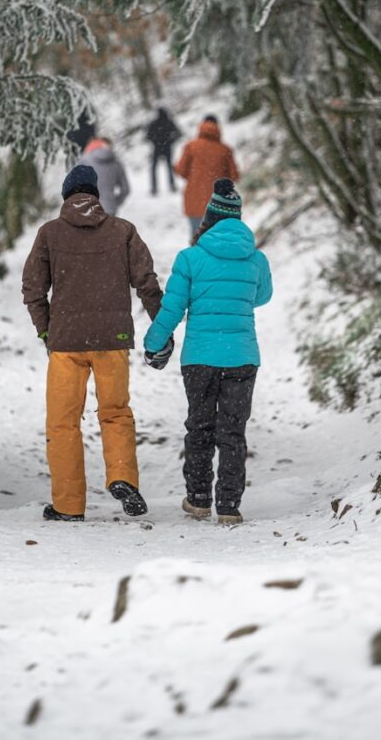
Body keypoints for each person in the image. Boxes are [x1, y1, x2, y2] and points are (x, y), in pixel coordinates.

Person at [22, 164, 162, 522]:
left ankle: (68, 505)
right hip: (111, 341)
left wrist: (44, 329)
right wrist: (161, 327)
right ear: (96, 196)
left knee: (63, 422)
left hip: (66, 343)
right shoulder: (123, 231)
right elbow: (146, 280)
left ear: (66, 196)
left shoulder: (50, 233)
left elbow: (33, 288)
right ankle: (121, 476)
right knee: (115, 413)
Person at [143, 179, 272, 525]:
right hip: (242, 356)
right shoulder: (256, 259)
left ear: (208, 218)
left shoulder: (190, 258)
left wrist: (154, 343)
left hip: (199, 358)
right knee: (232, 431)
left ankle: (198, 499)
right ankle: (229, 505)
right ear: (238, 218)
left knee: (199, 426)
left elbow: (172, 308)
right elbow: (262, 297)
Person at [173, 115, 240, 238]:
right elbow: (234, 176)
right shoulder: (225, 150)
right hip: (218, 203)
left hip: (194, 198)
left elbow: (181, 171)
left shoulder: (191, 147)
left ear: (201, 126)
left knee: (196, 238)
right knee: (217, 238)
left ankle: (195, 257)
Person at [81, 136, 130, 215]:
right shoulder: (116, 163)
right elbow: (125, 189)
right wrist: (114, 202)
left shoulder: (83, 161)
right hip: (110, 209)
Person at [145, 107, 181, 194]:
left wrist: (154, 141)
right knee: (169, 167)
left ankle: (154, 188)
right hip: (167, 147)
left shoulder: (154, 123)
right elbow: (179, 134)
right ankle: (172, 186)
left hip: (157, 148)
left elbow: (148, 136)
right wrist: (171, 141)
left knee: (154, 168)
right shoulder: (169, 122)